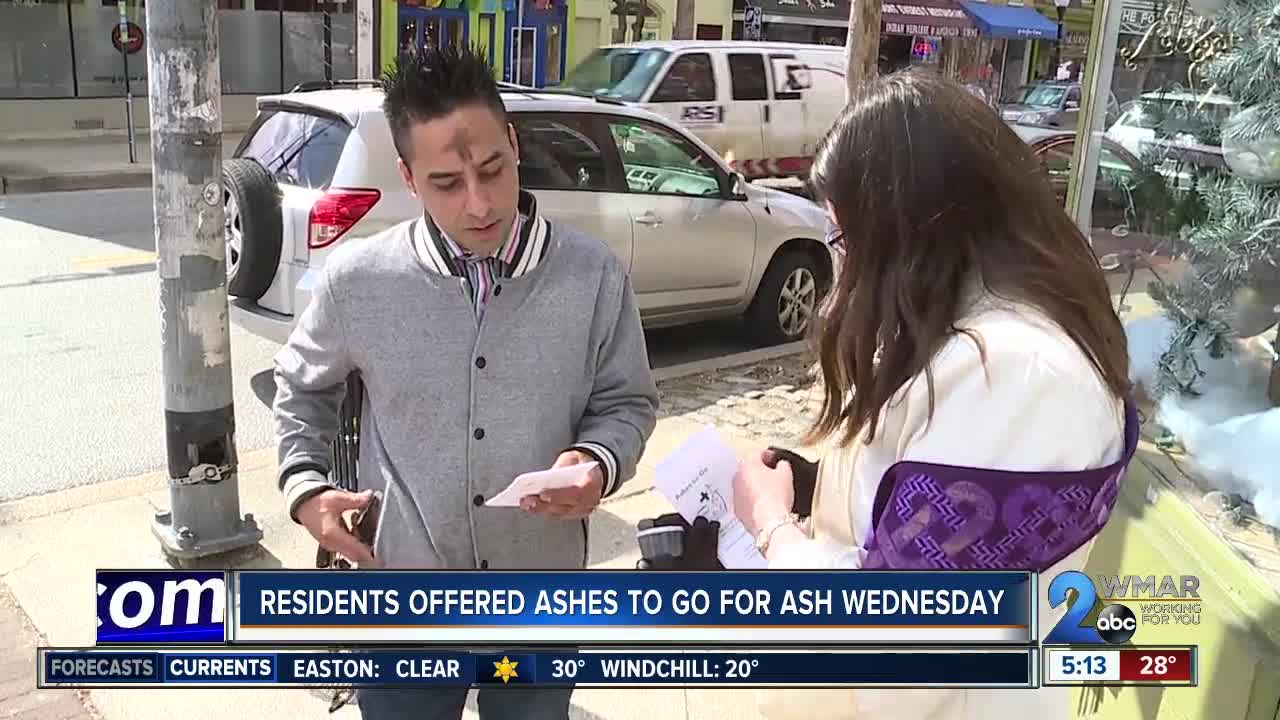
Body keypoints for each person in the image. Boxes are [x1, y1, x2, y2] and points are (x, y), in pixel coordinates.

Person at [730, 70, 1136, 718]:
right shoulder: (1001, 339)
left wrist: (772, 527)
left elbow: (894, 647)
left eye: (844, 239)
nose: (844, 268)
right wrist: (825, 487)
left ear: (909, 231)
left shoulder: (1011, 375)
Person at [272, 45, 660, 720]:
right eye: (447, 182)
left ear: (513, 143)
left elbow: (625, 401)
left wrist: (598, 463)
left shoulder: (593, 275)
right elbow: (302, 390)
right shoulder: (357, 281)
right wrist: (304, 489)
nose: (479, 204)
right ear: (408, 176)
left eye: (492, 170)